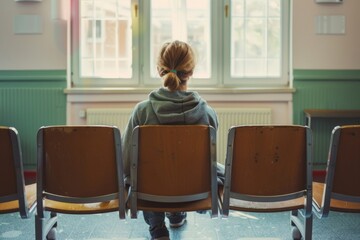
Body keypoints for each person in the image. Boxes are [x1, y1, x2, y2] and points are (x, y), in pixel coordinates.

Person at [122, 40, 224, 240]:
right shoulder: (207, 113)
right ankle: (177, 214)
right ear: (191, 71)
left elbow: (126, 161)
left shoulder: (142, 111)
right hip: (193, 190)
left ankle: (157, 225)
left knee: (142, 169)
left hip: (151, 192)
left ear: (160, 70)